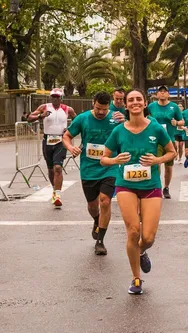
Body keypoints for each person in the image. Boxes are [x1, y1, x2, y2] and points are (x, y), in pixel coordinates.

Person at [101, 89, 176, 295]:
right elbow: (104, 158)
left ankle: (142, 250)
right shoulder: (118, 131)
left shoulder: (155, 129)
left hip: (151, 185)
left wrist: (157, 160)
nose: (135, 102)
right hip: (125, 184)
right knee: (133, 231)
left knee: (148, 237)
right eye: (130, 100)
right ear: (126, 105)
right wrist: (116, 160)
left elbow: (172, 152)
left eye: (138, 99)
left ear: (144, 104)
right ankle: (136, 278)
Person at [63, 92, 125, 255]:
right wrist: (71, 147)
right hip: (89, 169)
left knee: (105, 201)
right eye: (98, 108)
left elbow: (128, 132)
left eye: (104, 109)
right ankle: (97, 220)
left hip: (110, 166)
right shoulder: (82, 118)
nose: (101, 112)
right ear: (93, 104)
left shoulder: (117, 118)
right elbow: (67, 136)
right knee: (92, 205)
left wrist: (125, 122)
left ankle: (100, 241)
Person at [27, 88, 76, 207]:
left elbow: (77, 120)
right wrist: (40, 116)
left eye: (57, 97)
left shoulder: (68, 109)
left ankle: (58, 195)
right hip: (47, 140)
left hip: (61, 140)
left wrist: (69, 129)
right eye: (53, 96)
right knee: (50, 169)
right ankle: (55, 189)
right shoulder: (44, 107)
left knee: (58, 167)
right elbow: (29, 118)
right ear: (50, 97)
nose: (55, 99)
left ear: (61, 98)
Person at [148, 85, 184, 199]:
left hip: (170, 140)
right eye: (160, 91)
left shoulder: (174, 107)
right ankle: (156, 186)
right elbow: (145, 118)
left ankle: (166, 187)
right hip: (155, 140)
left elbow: (182, 121)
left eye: (165, 92)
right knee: (156, 163)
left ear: (168, 94)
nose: (162, 93)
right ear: (157, 94)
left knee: (168, 167)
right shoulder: (151, 106)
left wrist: (177, 123)